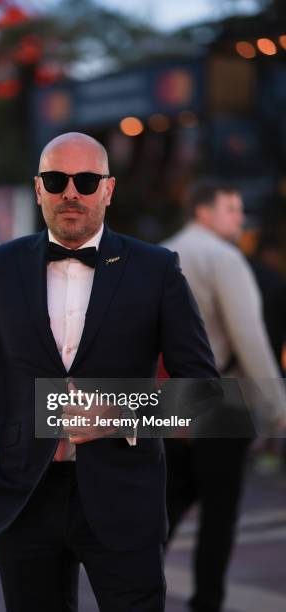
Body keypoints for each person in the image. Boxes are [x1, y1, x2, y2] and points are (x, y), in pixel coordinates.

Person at [0, 133, 218, 612]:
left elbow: (207, 397)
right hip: (21, 501)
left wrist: (118, 415)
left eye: (86, 180)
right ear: (38, 189)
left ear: (108, 190)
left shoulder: (156, 269)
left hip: (125, 498)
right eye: (56, 180)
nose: (71, 192)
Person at [162, 178, 286, 612]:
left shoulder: (158, 254)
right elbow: (249, 340)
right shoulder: (225, 259)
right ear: (203, 212)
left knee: (169, 499)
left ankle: (132, 588)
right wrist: (277, 408)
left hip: (168, 396)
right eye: (231, 209)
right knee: (219, 511)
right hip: (222, 396)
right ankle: (206, 602)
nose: (240, 218)